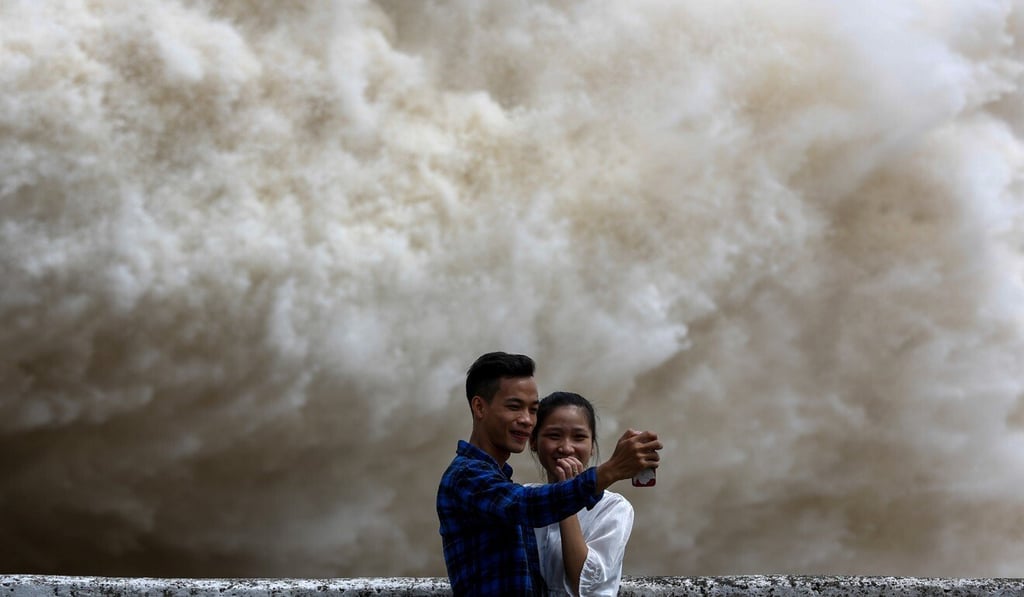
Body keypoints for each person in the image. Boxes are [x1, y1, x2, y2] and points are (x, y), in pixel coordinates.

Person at [437, 352, 661, 596]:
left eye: (532, 410)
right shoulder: (467, 476)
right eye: (514, 407)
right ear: (479, 407)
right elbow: (526, 506)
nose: (525, 419)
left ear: (593, 444)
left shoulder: (501, 479)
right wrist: (612, 470)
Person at [529, 392, 634, 597]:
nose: (566, 448)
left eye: (579, 437)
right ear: (533, 441)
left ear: (592, 446)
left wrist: (565, 493)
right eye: (554, 436)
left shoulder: (614, 508)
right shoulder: (523, 500)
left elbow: (583, 584)